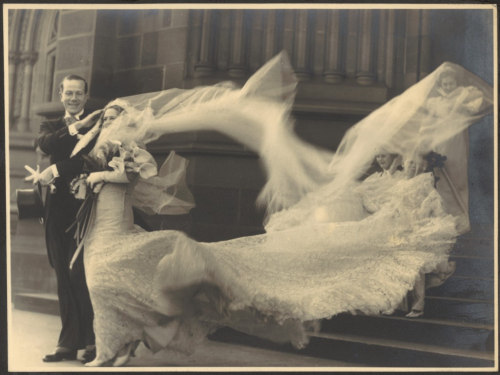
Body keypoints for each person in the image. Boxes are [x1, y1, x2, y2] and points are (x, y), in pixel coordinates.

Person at [27, 54, 492, 367]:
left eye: (116, 117)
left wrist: (102, 175)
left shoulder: (127, 149)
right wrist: (63, 164)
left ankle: (116, 345)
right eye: (108, 118)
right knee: (99, 277)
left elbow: (131, 172)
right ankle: (111, 343)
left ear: (126, 122)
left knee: (109, 275)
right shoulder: (94, 141)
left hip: (114, 221)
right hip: (96, 226)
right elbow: (63, 155)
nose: (112, 122)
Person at [28, 75, 103, 363]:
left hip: (84, 207)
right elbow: (45, 145)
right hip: (55, 210)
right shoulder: (51, 124)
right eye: (68, 93)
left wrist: (57, 169)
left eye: (78, 93)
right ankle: (67, 343)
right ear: (61, 95)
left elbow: (90, 159)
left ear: (86, 96)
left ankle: (91, 341)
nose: (73, 98)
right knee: (62, 273)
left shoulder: (99, 125)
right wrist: (77, 127)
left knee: (80, 273)